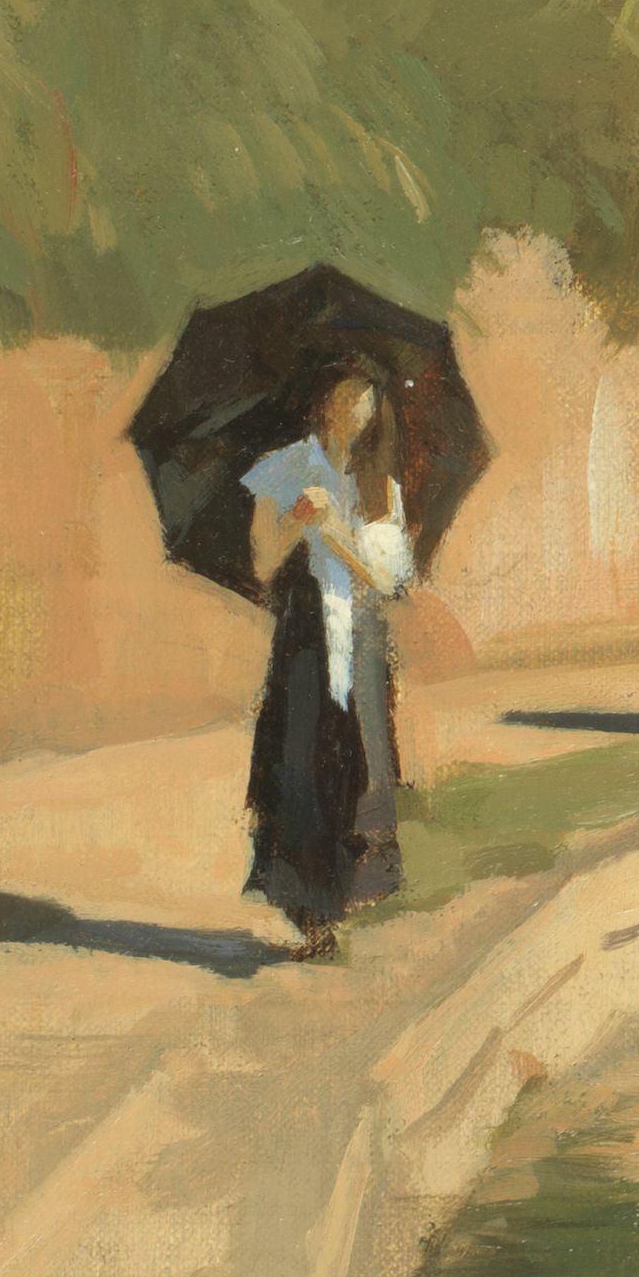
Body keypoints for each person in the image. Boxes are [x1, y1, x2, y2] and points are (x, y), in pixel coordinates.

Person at [240, 363, 418, 960]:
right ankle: (310, 913)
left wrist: (335, 530)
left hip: (361, 643)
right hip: (305, 641)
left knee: (356, 771)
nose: (353, 412)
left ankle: (341, 898)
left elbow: (389, 578)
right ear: (323, 400)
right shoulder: (285, 466)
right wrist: (296, 518)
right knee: (301, 767)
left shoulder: (379, 485)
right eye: (344, 398)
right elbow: (264, 563)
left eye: (365, 401)